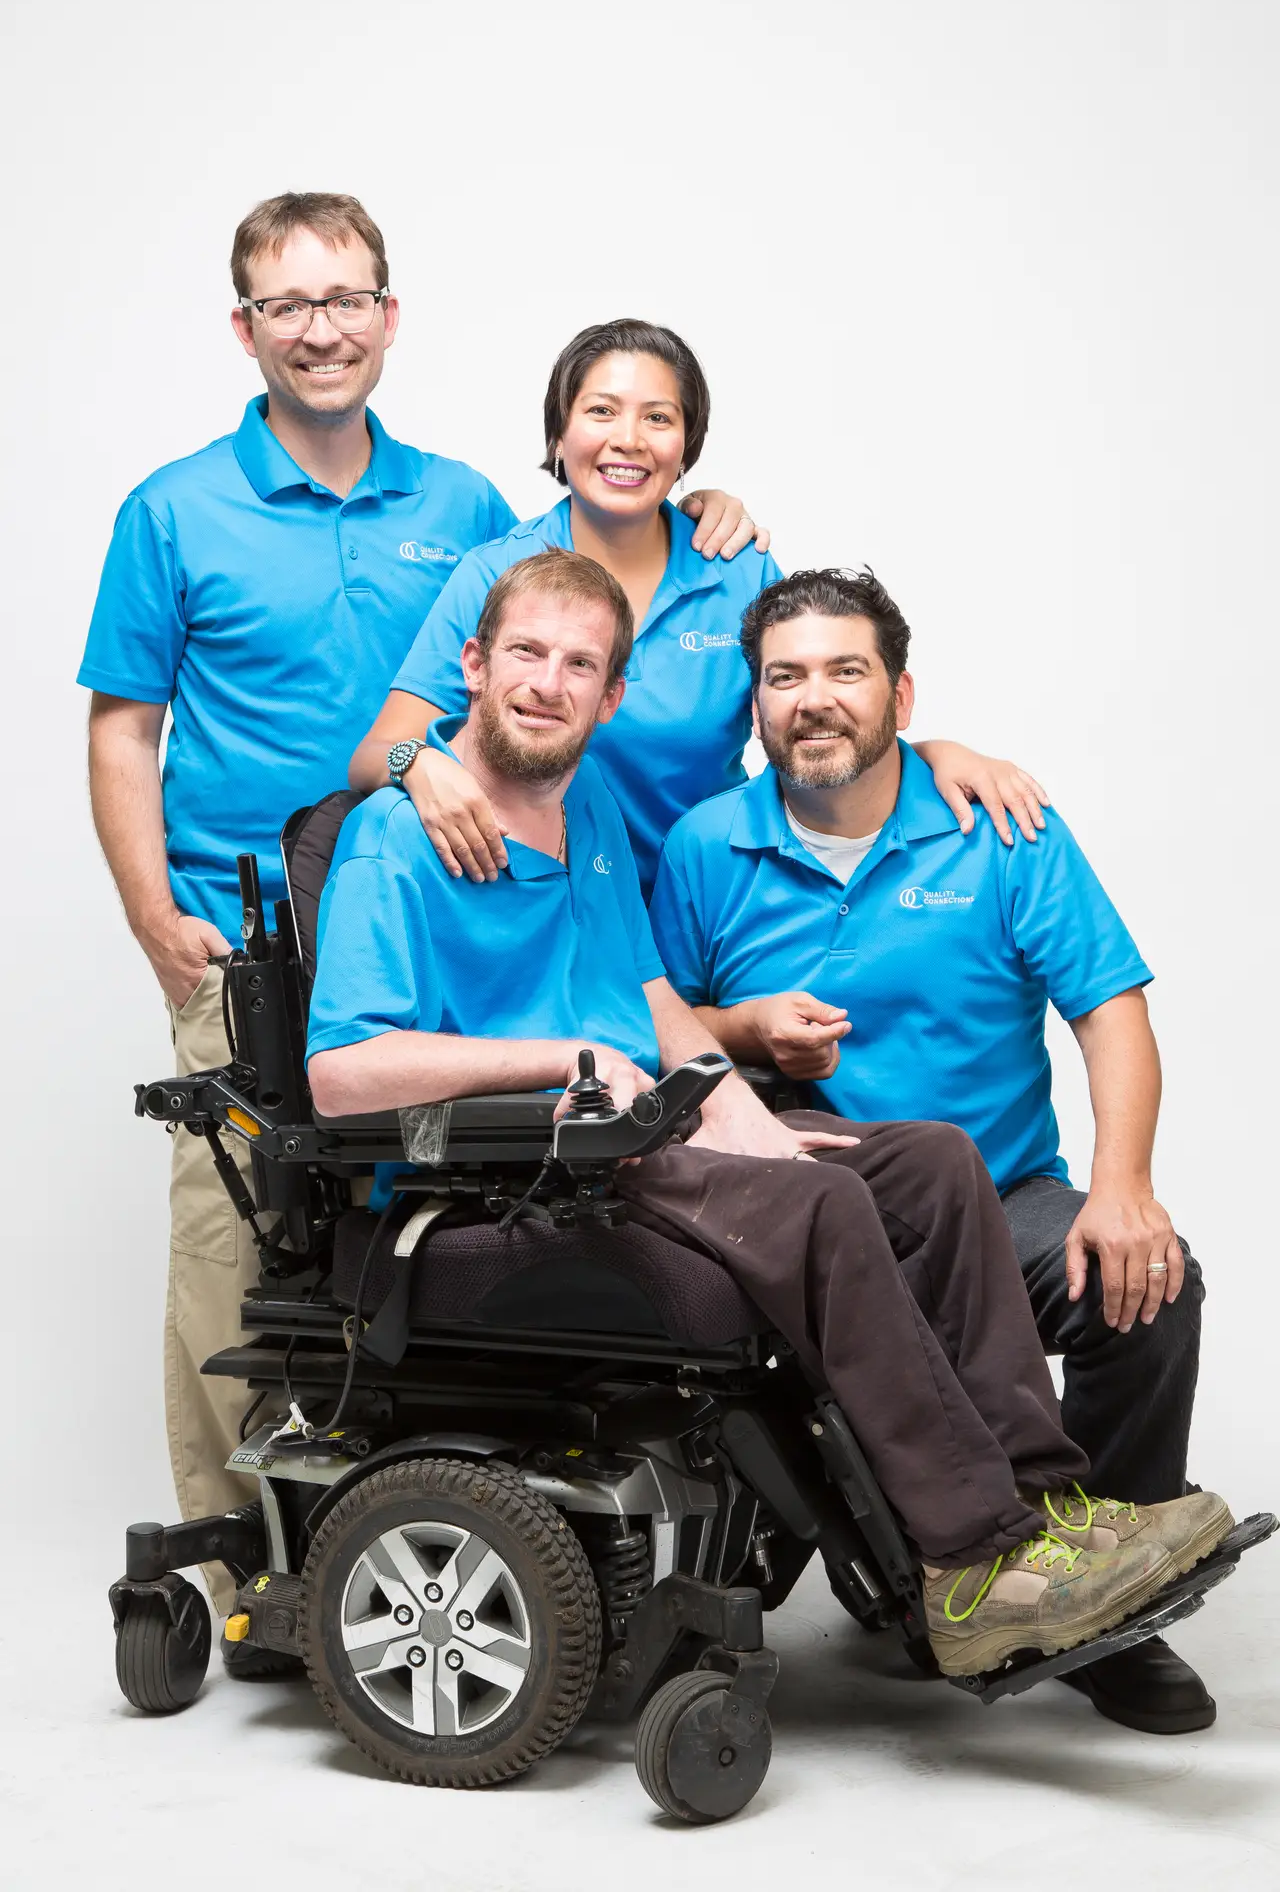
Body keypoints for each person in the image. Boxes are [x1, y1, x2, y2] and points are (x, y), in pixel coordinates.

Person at [307, 546, 1232, 1682]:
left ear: (611, 695)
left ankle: (1044, 1513)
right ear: (473, 664)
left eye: (578, 664)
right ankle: (972, 1559)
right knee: (824, 1204)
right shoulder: (392, 840)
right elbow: (341, 1072)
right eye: (525, 655)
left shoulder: (585, 806)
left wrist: (748, 1119)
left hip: (638, 1137)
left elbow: (651, 1002)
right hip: (527, 1172)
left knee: (933, 1162)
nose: (548, 683)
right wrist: (571, 1055)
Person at [77, 192, 761, 1625]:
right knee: (244, 1242)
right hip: (246, 930)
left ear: (391, 317)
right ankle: (243, 1564)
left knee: (463, 1208)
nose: (320, 329)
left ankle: (418, 1511)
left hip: (460, 917)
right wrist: (152, 913)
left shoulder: (458, 509)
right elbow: (126, 724)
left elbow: (590, 581)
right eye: (288, 305)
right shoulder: (175, 509)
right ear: (247, 328)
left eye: (346, 301)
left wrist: (698, 511)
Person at [648, 566, 1215, 1732]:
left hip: (1000, 1201)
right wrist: (741, 1028)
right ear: (752, 707)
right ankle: (947, 1559)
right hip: (810, 1216)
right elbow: (642, 1026)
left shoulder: (998, 828)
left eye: (843, 672)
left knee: (1148, 1291)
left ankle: (1108, 1612)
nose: (814, 699)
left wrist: (1119, 1191)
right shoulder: (705, 847)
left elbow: (1111, 1014)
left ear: (900, 696)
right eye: (784, 676)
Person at [350, 319, 1047, 899]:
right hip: (539, 912)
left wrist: (930, 754)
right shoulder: (498, 571)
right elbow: (373, 756)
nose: (629, 438)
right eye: (601, 411)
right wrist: (421, 764)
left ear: (686, 447)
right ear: (558, 437)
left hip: (711, 907)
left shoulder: (738, 571)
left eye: (659, 417)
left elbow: (816, 719)